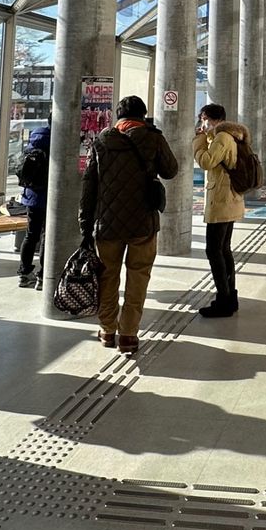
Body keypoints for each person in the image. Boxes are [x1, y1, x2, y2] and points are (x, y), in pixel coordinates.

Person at [79, 94, 179, 354]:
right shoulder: (153, 138)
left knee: (107, 276)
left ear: (118, 116)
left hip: (107, 224)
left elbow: (89, 186)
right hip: (143, 223)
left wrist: (85, 223)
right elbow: (171, 170)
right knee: (138, 277)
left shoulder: (101, 141)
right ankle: (128, 335)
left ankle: (107, 330)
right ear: (143, 115)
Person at [193, 102, 250, 319]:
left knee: (214, 250)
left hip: (222, 200)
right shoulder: (231, 136)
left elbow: (207, 161)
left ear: (211, 118)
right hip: (229, 199)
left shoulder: (223, 138)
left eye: (203, 118)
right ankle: (229, 297)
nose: (202, 123)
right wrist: (207, 137)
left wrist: (198, 141)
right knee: (223, 249)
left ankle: (224, 300)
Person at [16, 123, 50, 289]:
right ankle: (43, 276)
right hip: (49, 196)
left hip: (31, 196)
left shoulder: (34, 140)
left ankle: (24, 273)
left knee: (30, 235)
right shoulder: (56, 140)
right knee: (46, 236)